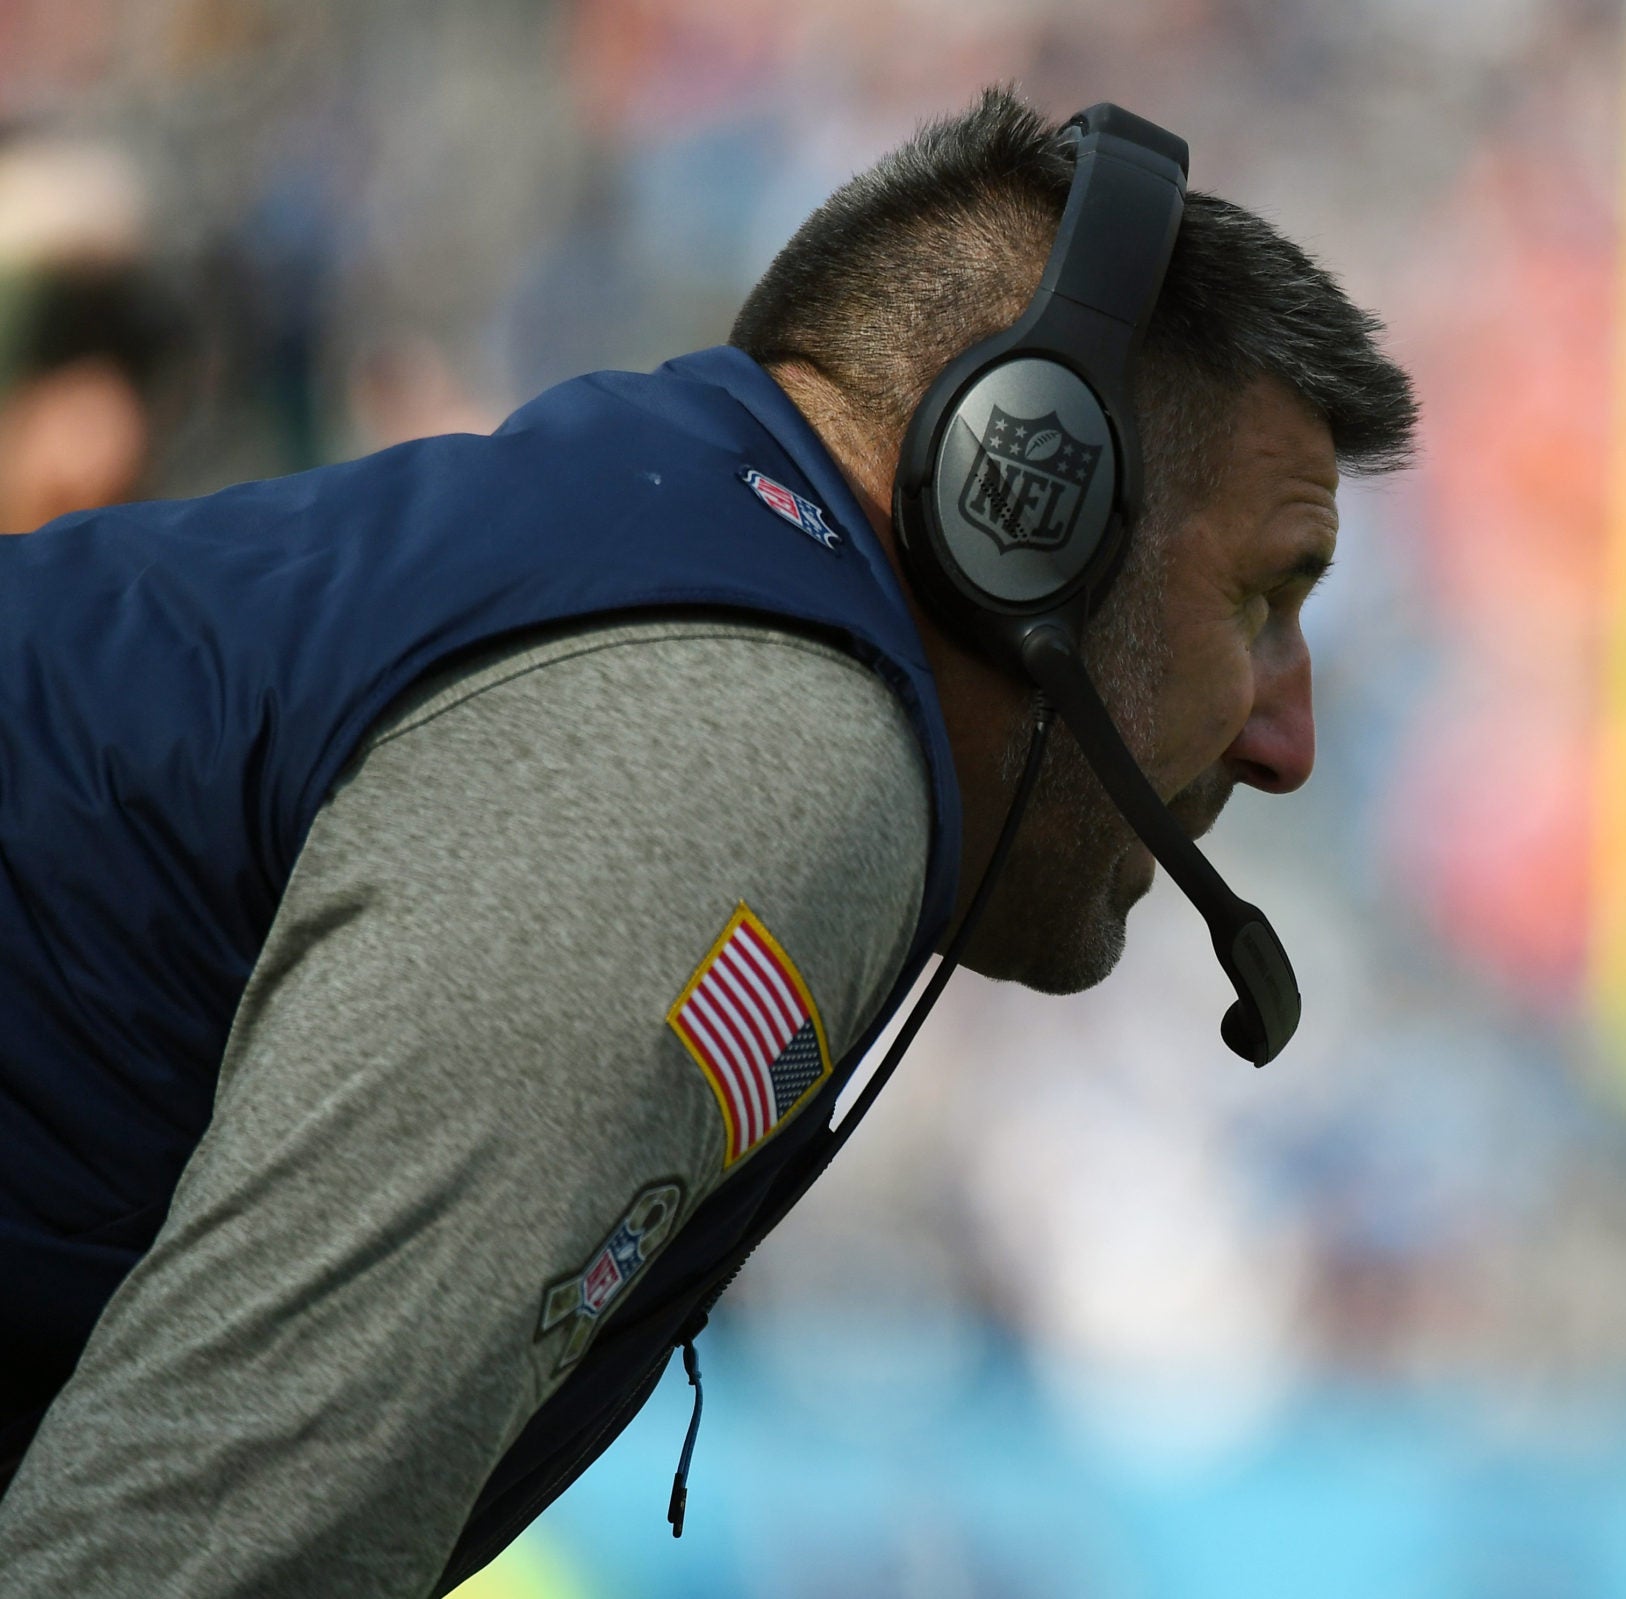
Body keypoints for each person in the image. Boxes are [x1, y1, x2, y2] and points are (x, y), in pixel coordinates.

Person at [0, 87, 1415, 1596]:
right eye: (1266, 596)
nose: (1288, 738)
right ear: (1025, 505)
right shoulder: (771, 751)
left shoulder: (676, 576)